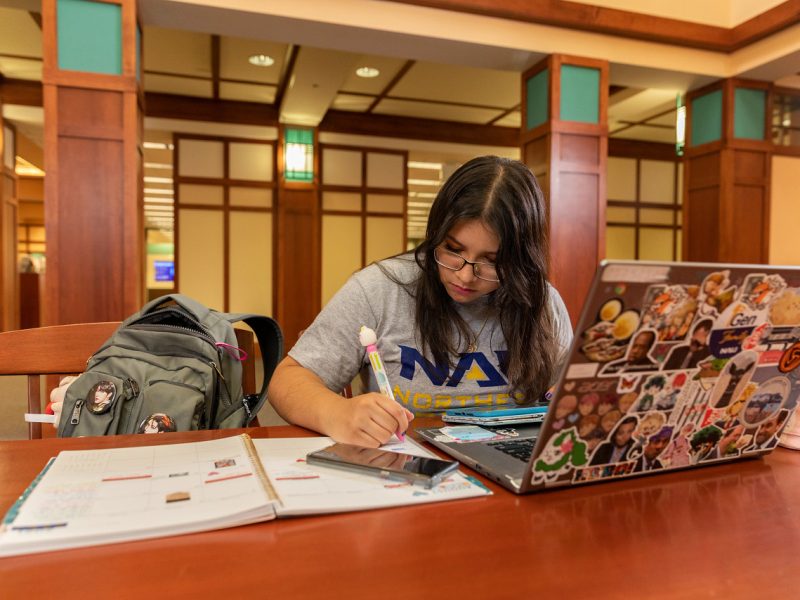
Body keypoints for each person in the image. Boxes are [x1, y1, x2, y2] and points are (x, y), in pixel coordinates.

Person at [267, 156, 574, 447]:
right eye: (453, 250)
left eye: (492, 261)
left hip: (513, 467)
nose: (466, 276)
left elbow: (575, 391)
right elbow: (288, 380)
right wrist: (338, 413)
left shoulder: (541, 301)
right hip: (410, 464)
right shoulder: (380, 289)